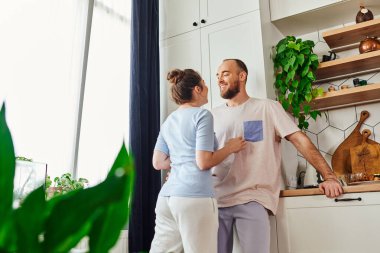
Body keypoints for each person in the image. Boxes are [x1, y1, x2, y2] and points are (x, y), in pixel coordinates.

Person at [211, 59, 344, 253]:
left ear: (242, 76)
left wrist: (329, 176)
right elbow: (202, 155)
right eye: (217, 75)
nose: (219, 80)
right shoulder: (211, 116)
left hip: (252, 197)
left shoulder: (267, 108)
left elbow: (300, 140)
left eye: (225, 73)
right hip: (215, 200)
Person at [150, 68, 247, 253]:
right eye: (204, 84)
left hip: (167, 199)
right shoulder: (202, 115)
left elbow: (158, 162)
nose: (208, 87)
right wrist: (230, 148)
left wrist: (182, 160)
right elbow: (203, 162)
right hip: (194, 197)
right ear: (197, 89)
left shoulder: (169, 120)